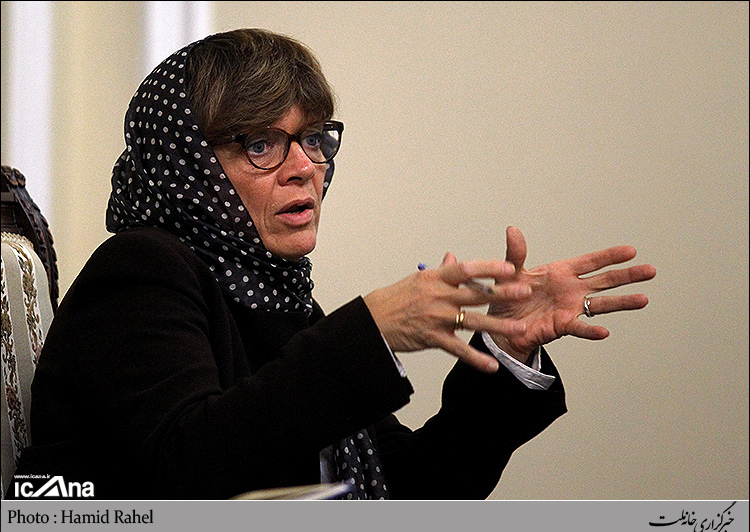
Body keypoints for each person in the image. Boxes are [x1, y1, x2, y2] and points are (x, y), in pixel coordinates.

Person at [10, 28, 655, 500]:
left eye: (314, 138)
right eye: (260, 143)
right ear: (189, 166)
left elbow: (410, 493)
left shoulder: (276, 296)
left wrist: (508, 350)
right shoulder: (142, 272)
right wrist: (371, 330)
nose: (305, 167)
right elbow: (188, 474)